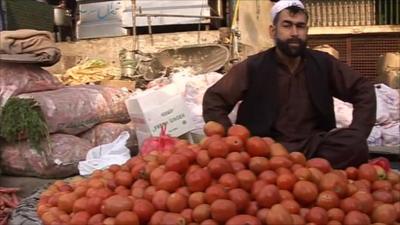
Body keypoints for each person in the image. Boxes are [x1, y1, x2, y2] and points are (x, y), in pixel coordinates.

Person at [202, 0, 376, 169]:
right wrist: (231, 138)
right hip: (266, 150)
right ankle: (303, 174)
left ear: (306, 31)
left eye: (300, 26)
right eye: (287, 25)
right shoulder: (253, 67)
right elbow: (214, 98)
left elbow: (363, 89)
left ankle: (305, 173)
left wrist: (358, 131)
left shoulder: (323, 64)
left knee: (353, 144)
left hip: (314, 147)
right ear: (273, 31)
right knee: (251, 162)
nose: (294, 33)